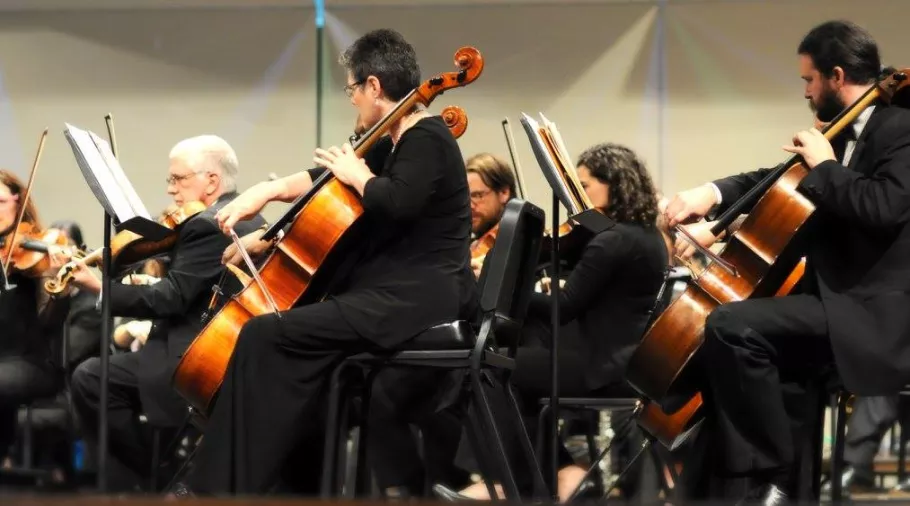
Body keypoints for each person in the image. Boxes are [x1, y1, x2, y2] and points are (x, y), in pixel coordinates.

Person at [174, 28, 478, 497]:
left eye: (353, 88)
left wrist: (358, 176)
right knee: (287, 346)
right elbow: (325, 179)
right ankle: (285, 485)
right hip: (387, 294)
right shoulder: (390, 138)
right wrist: (267, 193)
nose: (352, 99)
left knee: (264, 334)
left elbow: (396, 202)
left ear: (374, 87)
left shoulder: (428, 137)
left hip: (416, 298)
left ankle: (221, 487)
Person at [662, 20, 910, 505]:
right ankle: (726, 491)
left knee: (732, 326)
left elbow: (885, 207)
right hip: (832, 306)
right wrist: (707, 196)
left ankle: (772, 470)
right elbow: (775, 178)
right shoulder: (839, 133)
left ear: (836, 75)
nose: (805, 92)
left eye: (808, 79)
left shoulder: (901, 128)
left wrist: (827, 166)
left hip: (872, 316)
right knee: (726, 367)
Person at [433, 143, 669, 502]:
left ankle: (507, 482)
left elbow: (566, 305)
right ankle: (561, 474)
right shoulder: (646, 235)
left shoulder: (613, 241)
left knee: (488, 369)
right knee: (515, 353)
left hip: (597, 368)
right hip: (620, 361)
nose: (579, 196)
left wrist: (509, 295)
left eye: (585, 185)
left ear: (614, 184)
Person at [67, 135, 265, 491]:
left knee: (90, 378)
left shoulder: (209, 224)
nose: (171, 189)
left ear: (212, 181)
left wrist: (100, 288)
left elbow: (172, 298)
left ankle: (155, 475)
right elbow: (191, 286)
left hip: (192, 354)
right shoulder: (246, 214)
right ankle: (158, 475)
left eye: (179, 179)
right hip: (218, 345)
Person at [0, 170, 72, 465]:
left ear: (19, 202)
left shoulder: (33, 255)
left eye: (0, 201)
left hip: (29, 362)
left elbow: (49, 321)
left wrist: (56, 279)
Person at [465, 153, 516, 278]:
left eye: (477, 195)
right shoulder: (469, 247)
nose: (469, 206)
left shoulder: (519, 242)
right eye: (465, 198)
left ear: (504, 192)